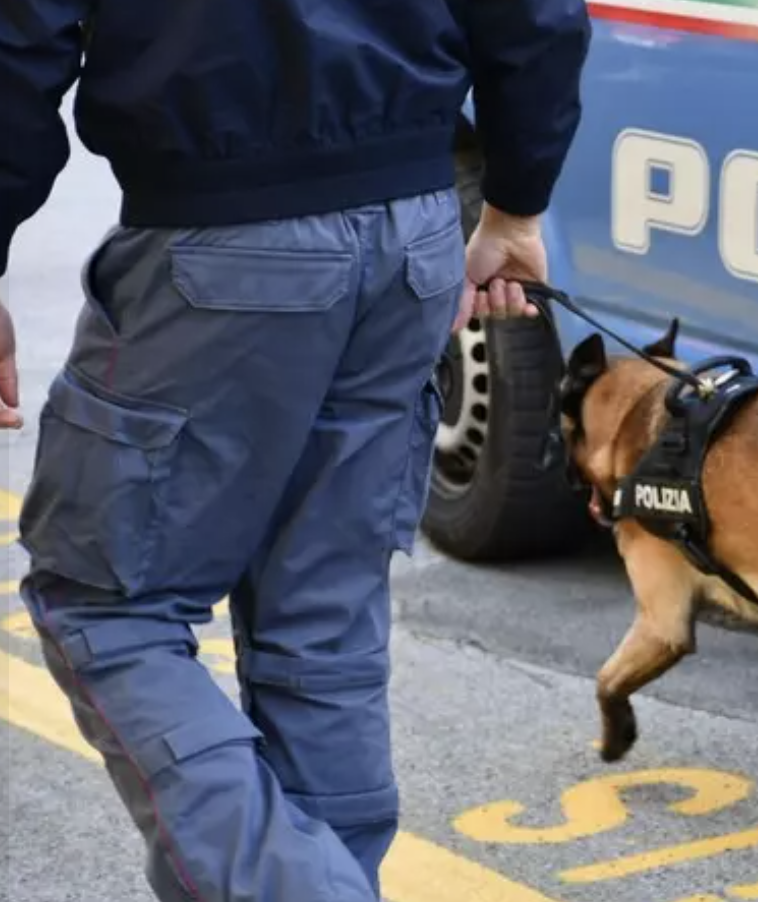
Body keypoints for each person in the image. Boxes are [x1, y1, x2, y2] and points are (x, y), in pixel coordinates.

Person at [0, 0, 590, 899]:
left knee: (105, 605)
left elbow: (20, 40)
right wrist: (516, 202)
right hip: (410, 229)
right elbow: (536, 14)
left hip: (219, 234)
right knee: (323, 610)